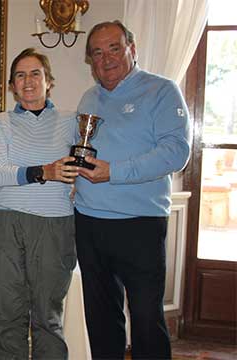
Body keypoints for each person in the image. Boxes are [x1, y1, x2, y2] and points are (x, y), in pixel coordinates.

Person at [74, 21, 191, 359]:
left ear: (132, 49)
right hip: (89, 222)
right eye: (97, 52)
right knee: (100, 319)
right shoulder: (88, 98)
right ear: (90, 60)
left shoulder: (162, 90)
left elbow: (176, 152)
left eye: (114, 48)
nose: (106, 58)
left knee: (145, 319)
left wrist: (115, 173)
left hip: (139, 223)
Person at [0, 48, 79, 359]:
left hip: (54, 224)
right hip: (6, 223)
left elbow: (86, 164)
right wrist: (45, 172)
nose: (28, 81)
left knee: (47, 316)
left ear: (48, 81)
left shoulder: (71, 122)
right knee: (8, 312)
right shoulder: (1, 121)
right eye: (20, 75)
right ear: (12, 85)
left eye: (35, 73)